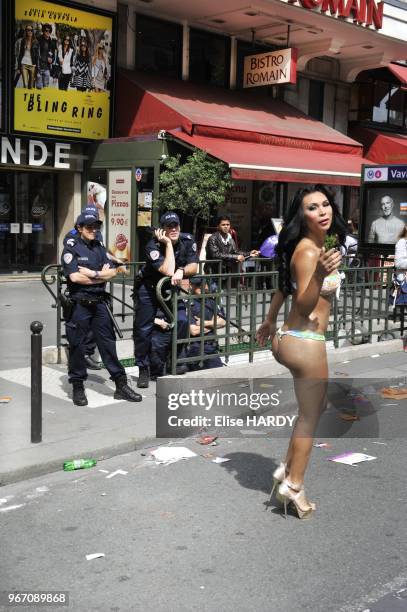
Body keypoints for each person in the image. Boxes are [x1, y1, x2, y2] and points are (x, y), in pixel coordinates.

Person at [257, 185, 345, 519]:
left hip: (290, 337)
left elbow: (284, 285)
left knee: (313, 407)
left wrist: (268, 320)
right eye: (312, 207)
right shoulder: (310, 253)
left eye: (325, 204)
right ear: (301, 215)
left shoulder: (311, 246)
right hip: (305, 341)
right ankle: (294, 484)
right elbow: (304, 302)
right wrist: (321, 273)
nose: (322, 211)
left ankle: (286, 467)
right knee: (310, 416)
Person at [61, 209, 141, 406]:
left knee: (108, 345)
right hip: (79, 304)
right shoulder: (71, 248)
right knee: (78, 347)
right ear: (79, 228)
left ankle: (120, 385)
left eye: (96, 226)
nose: (93, 230)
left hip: (99, 304)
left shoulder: (99, 247)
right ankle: (78, 385)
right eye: (89, 227)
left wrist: (93, 274)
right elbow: (74, 277)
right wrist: (99, 275)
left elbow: (112, 272)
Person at [133, 211, 198, 388]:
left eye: (176, 225)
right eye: (169, 227)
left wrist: (183, 271)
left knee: (182, 320)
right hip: (149, 290)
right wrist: (168, 244)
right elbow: (168, 270)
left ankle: (175, 360)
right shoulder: (152, 244)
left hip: (170, 290)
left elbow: (194, 266)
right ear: (162, 230)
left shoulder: (187, 240)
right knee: (143, 331)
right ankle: (143, 369)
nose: (174, 229)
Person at [186, 277, 226, 370]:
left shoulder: (211, 301)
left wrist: (203, 323)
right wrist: (213, 325)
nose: (201, 287)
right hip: (195, 347)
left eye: (202, 285)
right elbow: (194, 331)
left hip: (211, 347)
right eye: (197, 285)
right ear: (191, 286)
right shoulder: (188, 303)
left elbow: (223, 322)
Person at [16, 24, 39, 89]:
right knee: (25, 85)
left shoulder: (36, 42)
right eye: (28, 30)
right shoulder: (23, 41)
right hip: (24, 64)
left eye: (31, 30)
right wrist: (18, 68)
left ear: (33, 31)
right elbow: (20, 54)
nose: (30, 31)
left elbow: (37, 56)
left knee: (31, 86)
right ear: (26, 31)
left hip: (32, 65)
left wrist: (36, 68)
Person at [36, 24, 56, 89]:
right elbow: (34, 53)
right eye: (46, 30)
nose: (48, 32)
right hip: (39, 67)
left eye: (49, 31)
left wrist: (51, 59)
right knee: (39, 87)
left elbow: (53, 55)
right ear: (43, 31)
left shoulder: (52, 42)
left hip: (47, 68)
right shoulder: (38, 40)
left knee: (46, 88)